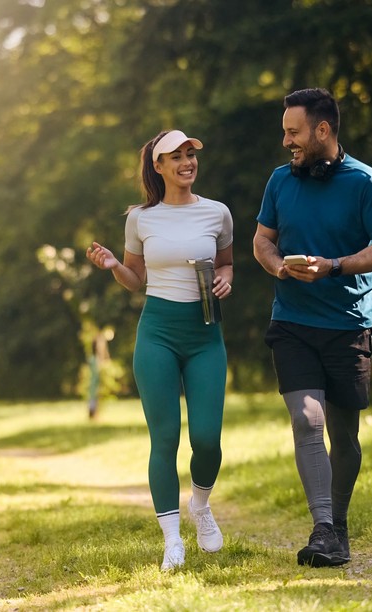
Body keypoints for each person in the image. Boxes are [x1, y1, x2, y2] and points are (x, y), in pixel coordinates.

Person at [253, 88, 372, 568]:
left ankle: (338, 525)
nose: (286, 142)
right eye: (283, 133)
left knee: (344, 436)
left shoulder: (364, 181)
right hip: (292, 322)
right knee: (306, 420)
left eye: (293, 133)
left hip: (347, 325)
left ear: (322, 130)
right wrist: (279, 268)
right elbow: (261, 241)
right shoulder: (280, 181)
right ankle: (322, 529)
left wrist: (335, 266)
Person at [86, 129, 234, 571]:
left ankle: (201, 506)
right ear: (159, 165)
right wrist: (115, 266)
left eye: (191, 154)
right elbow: (137, 278)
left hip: (205, 335)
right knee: (165, 437)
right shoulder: (141, 219)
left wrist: (228, 278)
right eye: (177, 156)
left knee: (207, 437)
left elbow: (226, 263)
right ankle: (172, 541)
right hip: (158, 334)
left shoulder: (218, 213)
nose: (187, 162)